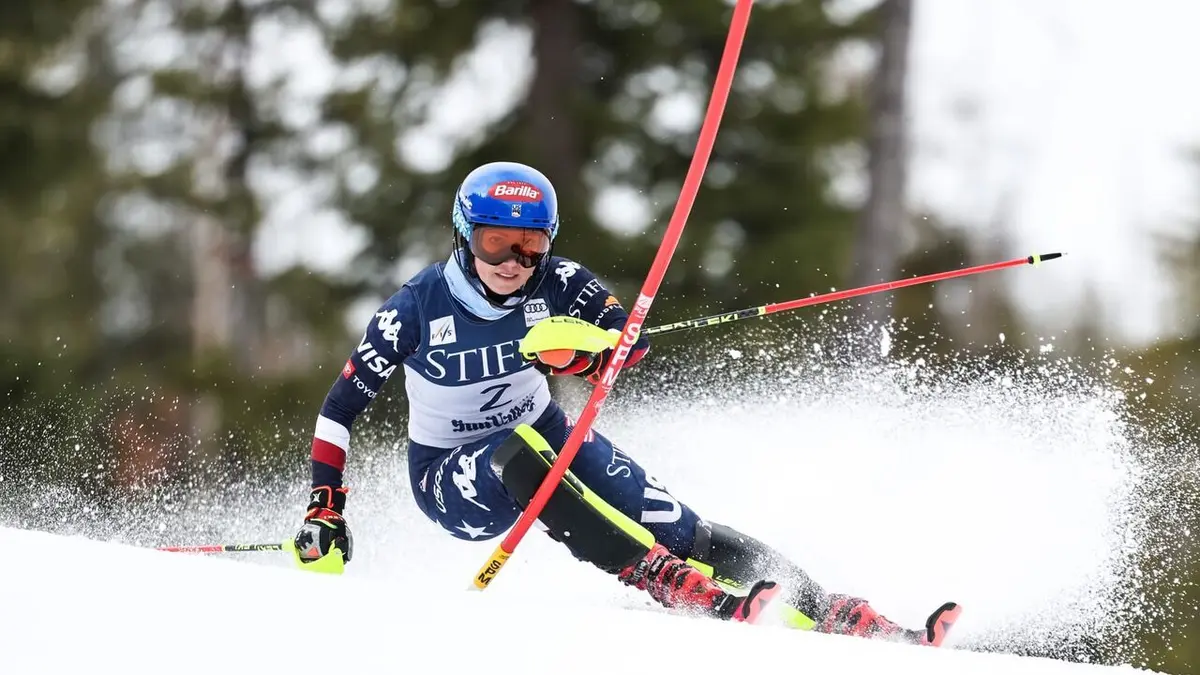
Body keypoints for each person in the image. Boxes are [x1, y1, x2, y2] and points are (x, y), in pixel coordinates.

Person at [291, 161, 959, 645]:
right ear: (466, 234)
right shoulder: (414, 307)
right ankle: (661, 579)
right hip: (448, 474)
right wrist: (326, 504)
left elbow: (628, 344)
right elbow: (339, 407)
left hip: (545, 427)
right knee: (515, 451)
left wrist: (585, 357)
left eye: (531, 246)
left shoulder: (559, 281)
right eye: (498, 242)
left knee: (682, 525)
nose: (514, 262)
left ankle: (837, 608)